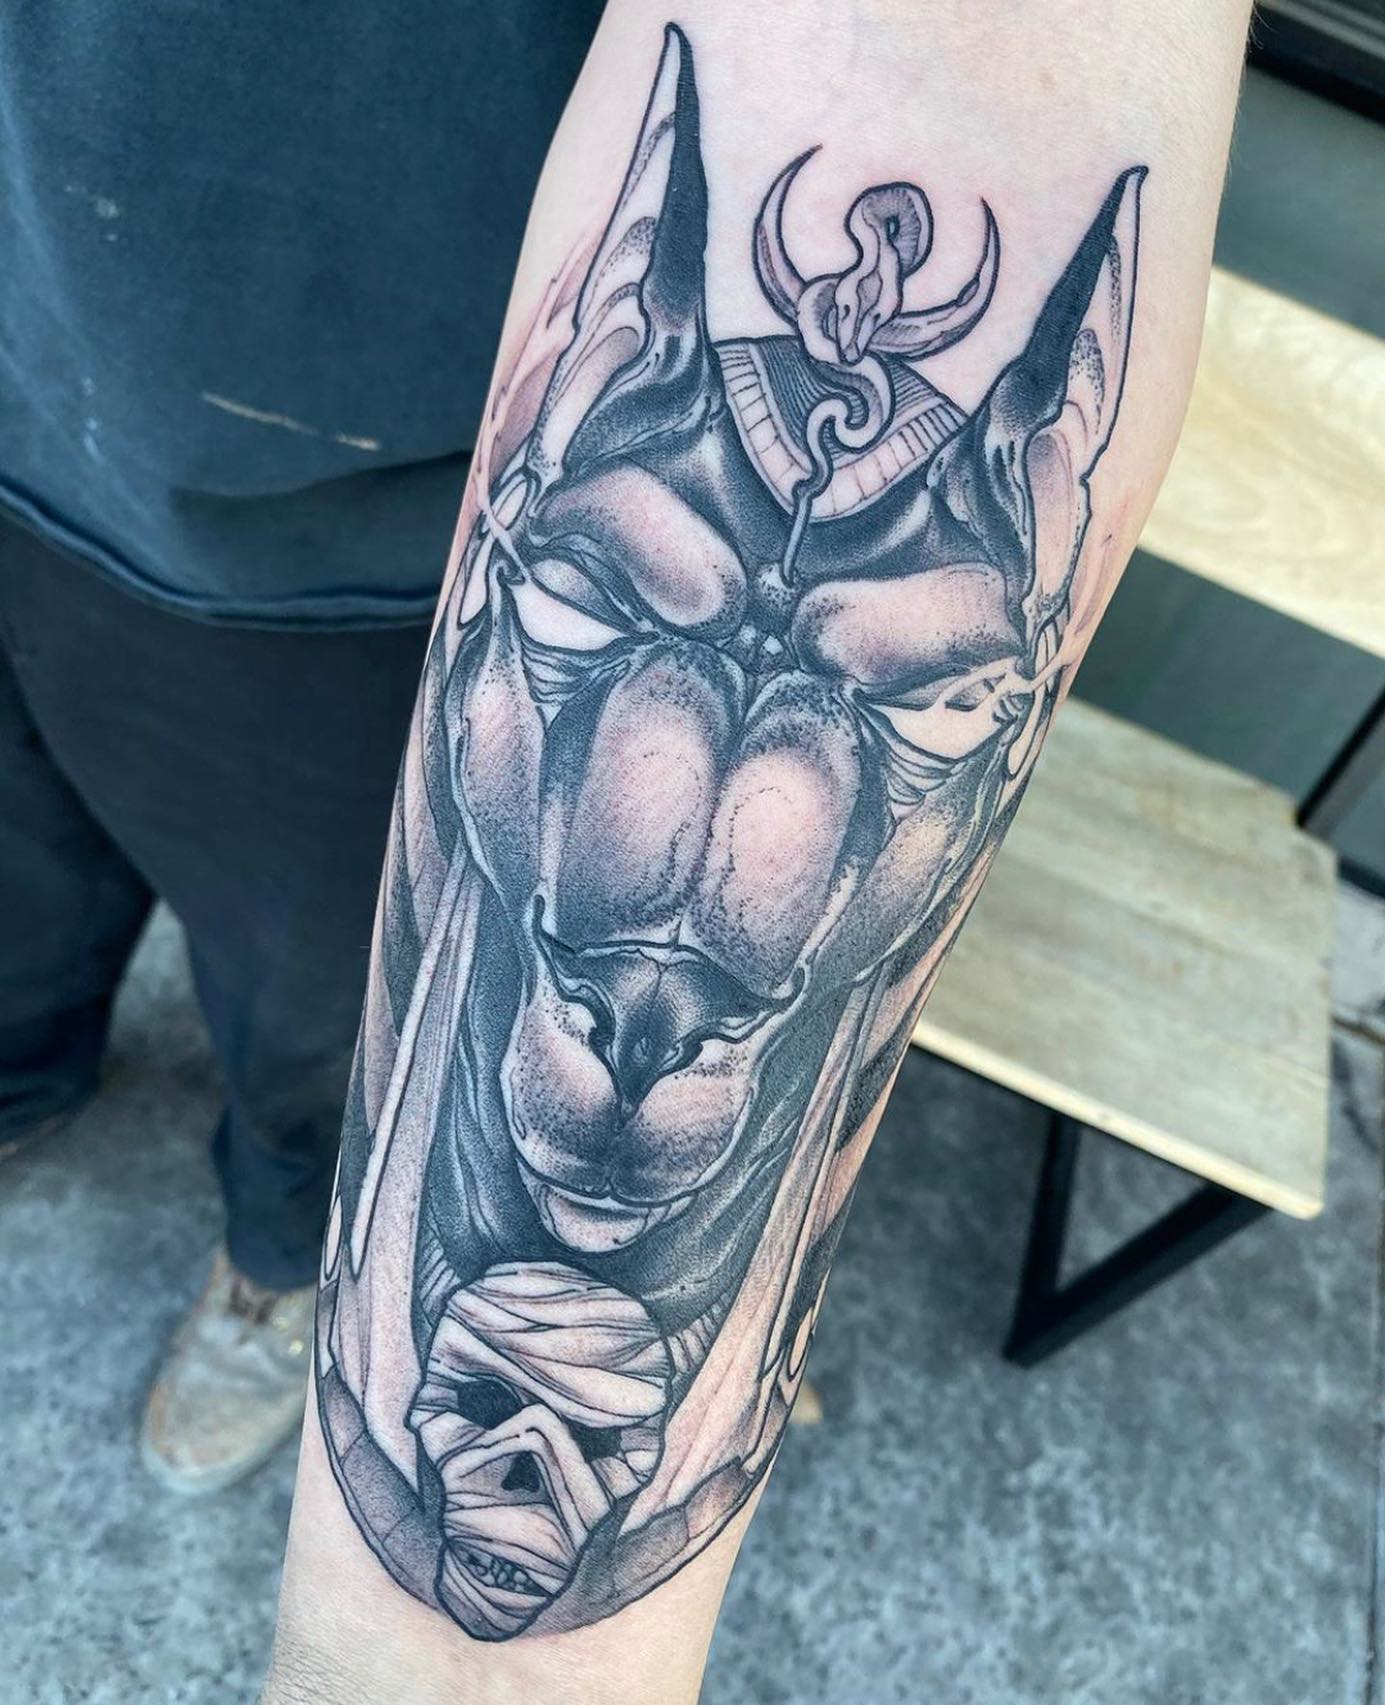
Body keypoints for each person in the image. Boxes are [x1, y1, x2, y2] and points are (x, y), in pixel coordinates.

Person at [0, 1, 603, 1493]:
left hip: (366, 497)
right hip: (26, 345)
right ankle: (23, 1070)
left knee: (322, 985)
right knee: (22, 852)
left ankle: (284, 1254)